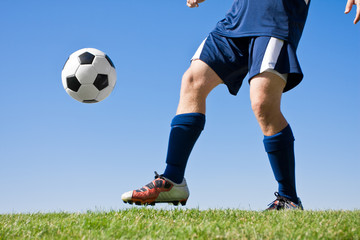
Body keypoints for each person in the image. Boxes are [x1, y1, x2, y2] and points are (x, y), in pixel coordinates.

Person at [121, 0, 360, 210]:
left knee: (262, 102)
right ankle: (173, 180)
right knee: (193, 80)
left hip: (274, 18)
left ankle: (289, 198)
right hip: (235, 22)